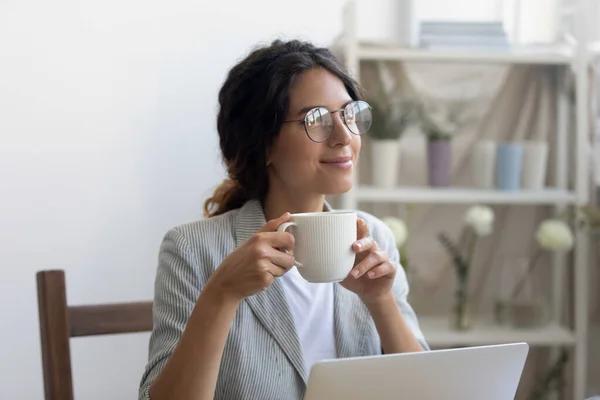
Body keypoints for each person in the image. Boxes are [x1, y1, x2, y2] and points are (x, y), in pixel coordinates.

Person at [139, 39, 428, 400]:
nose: (344, 137)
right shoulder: (193, 249)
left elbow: (425, 390)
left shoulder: (374, 239)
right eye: (317, 120)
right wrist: (222, 294)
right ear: (264, 144)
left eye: (348, 114)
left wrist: (381, 302)